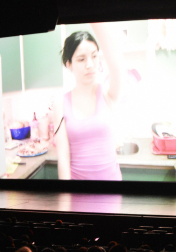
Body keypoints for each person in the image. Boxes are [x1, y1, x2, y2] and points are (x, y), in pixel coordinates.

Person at [53, 23, 126, 180]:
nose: (90, 64)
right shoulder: (61, 103)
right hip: (79, 196)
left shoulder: (108, 94)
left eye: (94, 56)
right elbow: (63, 160)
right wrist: (66, 202)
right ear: (69, 64)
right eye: (81, 59)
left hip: (112, 192)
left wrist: (96, 19)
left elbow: (118, 66)